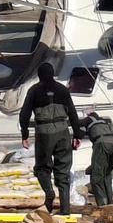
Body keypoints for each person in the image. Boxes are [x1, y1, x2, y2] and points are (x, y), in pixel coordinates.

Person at [19, 62, 82, 214]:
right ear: (53, 74)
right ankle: (65, 210)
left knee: (42, 167)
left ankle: (49, 192)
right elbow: (72, 113)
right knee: (63, 171)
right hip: (63, 131)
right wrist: (77, 134)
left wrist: (25, 134)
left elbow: (24, 114)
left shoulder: (34, 90)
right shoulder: (62, 89)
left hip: (44, 132)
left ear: (39, 75)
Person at [80, 108, 113, 206]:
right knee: (107, 173)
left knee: (96, 176)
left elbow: (77, 124)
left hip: (102, 143)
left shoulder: (88, 119)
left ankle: (103, 204)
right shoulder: (105, 121)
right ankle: (110, 201)